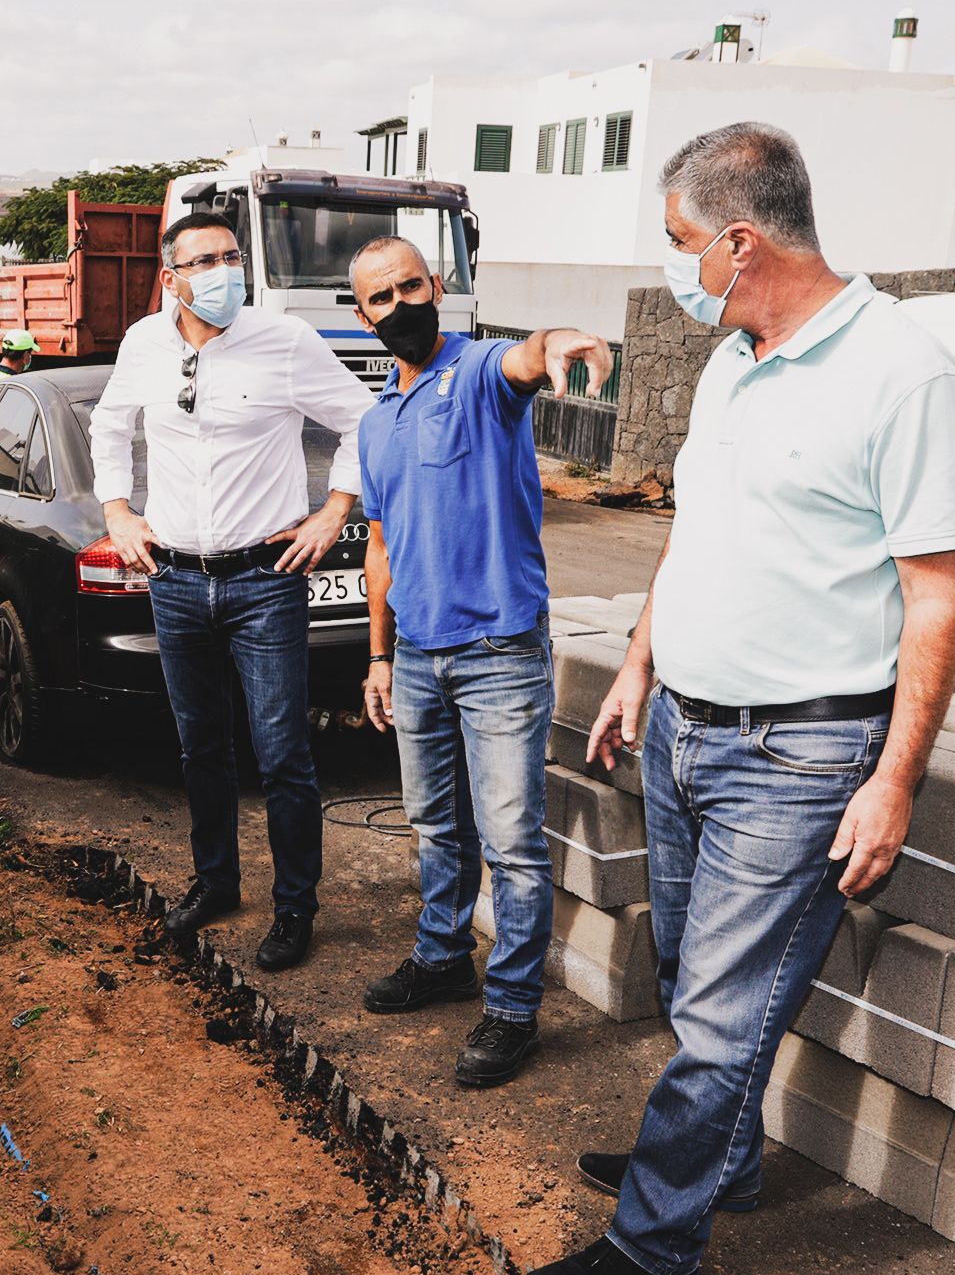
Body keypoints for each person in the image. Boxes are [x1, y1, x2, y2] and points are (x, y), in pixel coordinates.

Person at [517, 123, 955, 1275]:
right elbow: (696, 535)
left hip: (802, 755)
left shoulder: (903, 374)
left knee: (722, 1018)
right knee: (688, 976)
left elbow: (937, 594)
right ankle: (717, 1158)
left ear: (738, 238)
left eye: (679, 242)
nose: (675, 267)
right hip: (682, 726)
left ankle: (655, 1241)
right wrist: (637, 664)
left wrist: (895, 778)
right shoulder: (736, 356)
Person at [348, 234, 614, 1087]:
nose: (399, 307)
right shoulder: (376, 421)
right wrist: (379, 657)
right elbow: (380, 549)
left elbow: (524, 360)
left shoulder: (478, 373)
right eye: (380, 299)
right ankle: (441, 958)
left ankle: (511, 1010)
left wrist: (555, 341)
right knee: (434, 827)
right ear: (362, 315)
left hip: (499, 651)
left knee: (511, 845)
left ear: (438, 285)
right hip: (419, 656)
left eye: (410, 287)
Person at [91, 211, 373, 971]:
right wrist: (118, 511)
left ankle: (294, 909)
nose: (223, 271)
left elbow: (364, 421)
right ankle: (215, 883)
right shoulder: (145, 343)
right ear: (171, 277)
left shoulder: (284, 342)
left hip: (264, 582)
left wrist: (333, 512)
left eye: (231, 256)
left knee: (283, 753)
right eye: (204, 260)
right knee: (200, 748)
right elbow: (110, 426)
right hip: (175, 580)